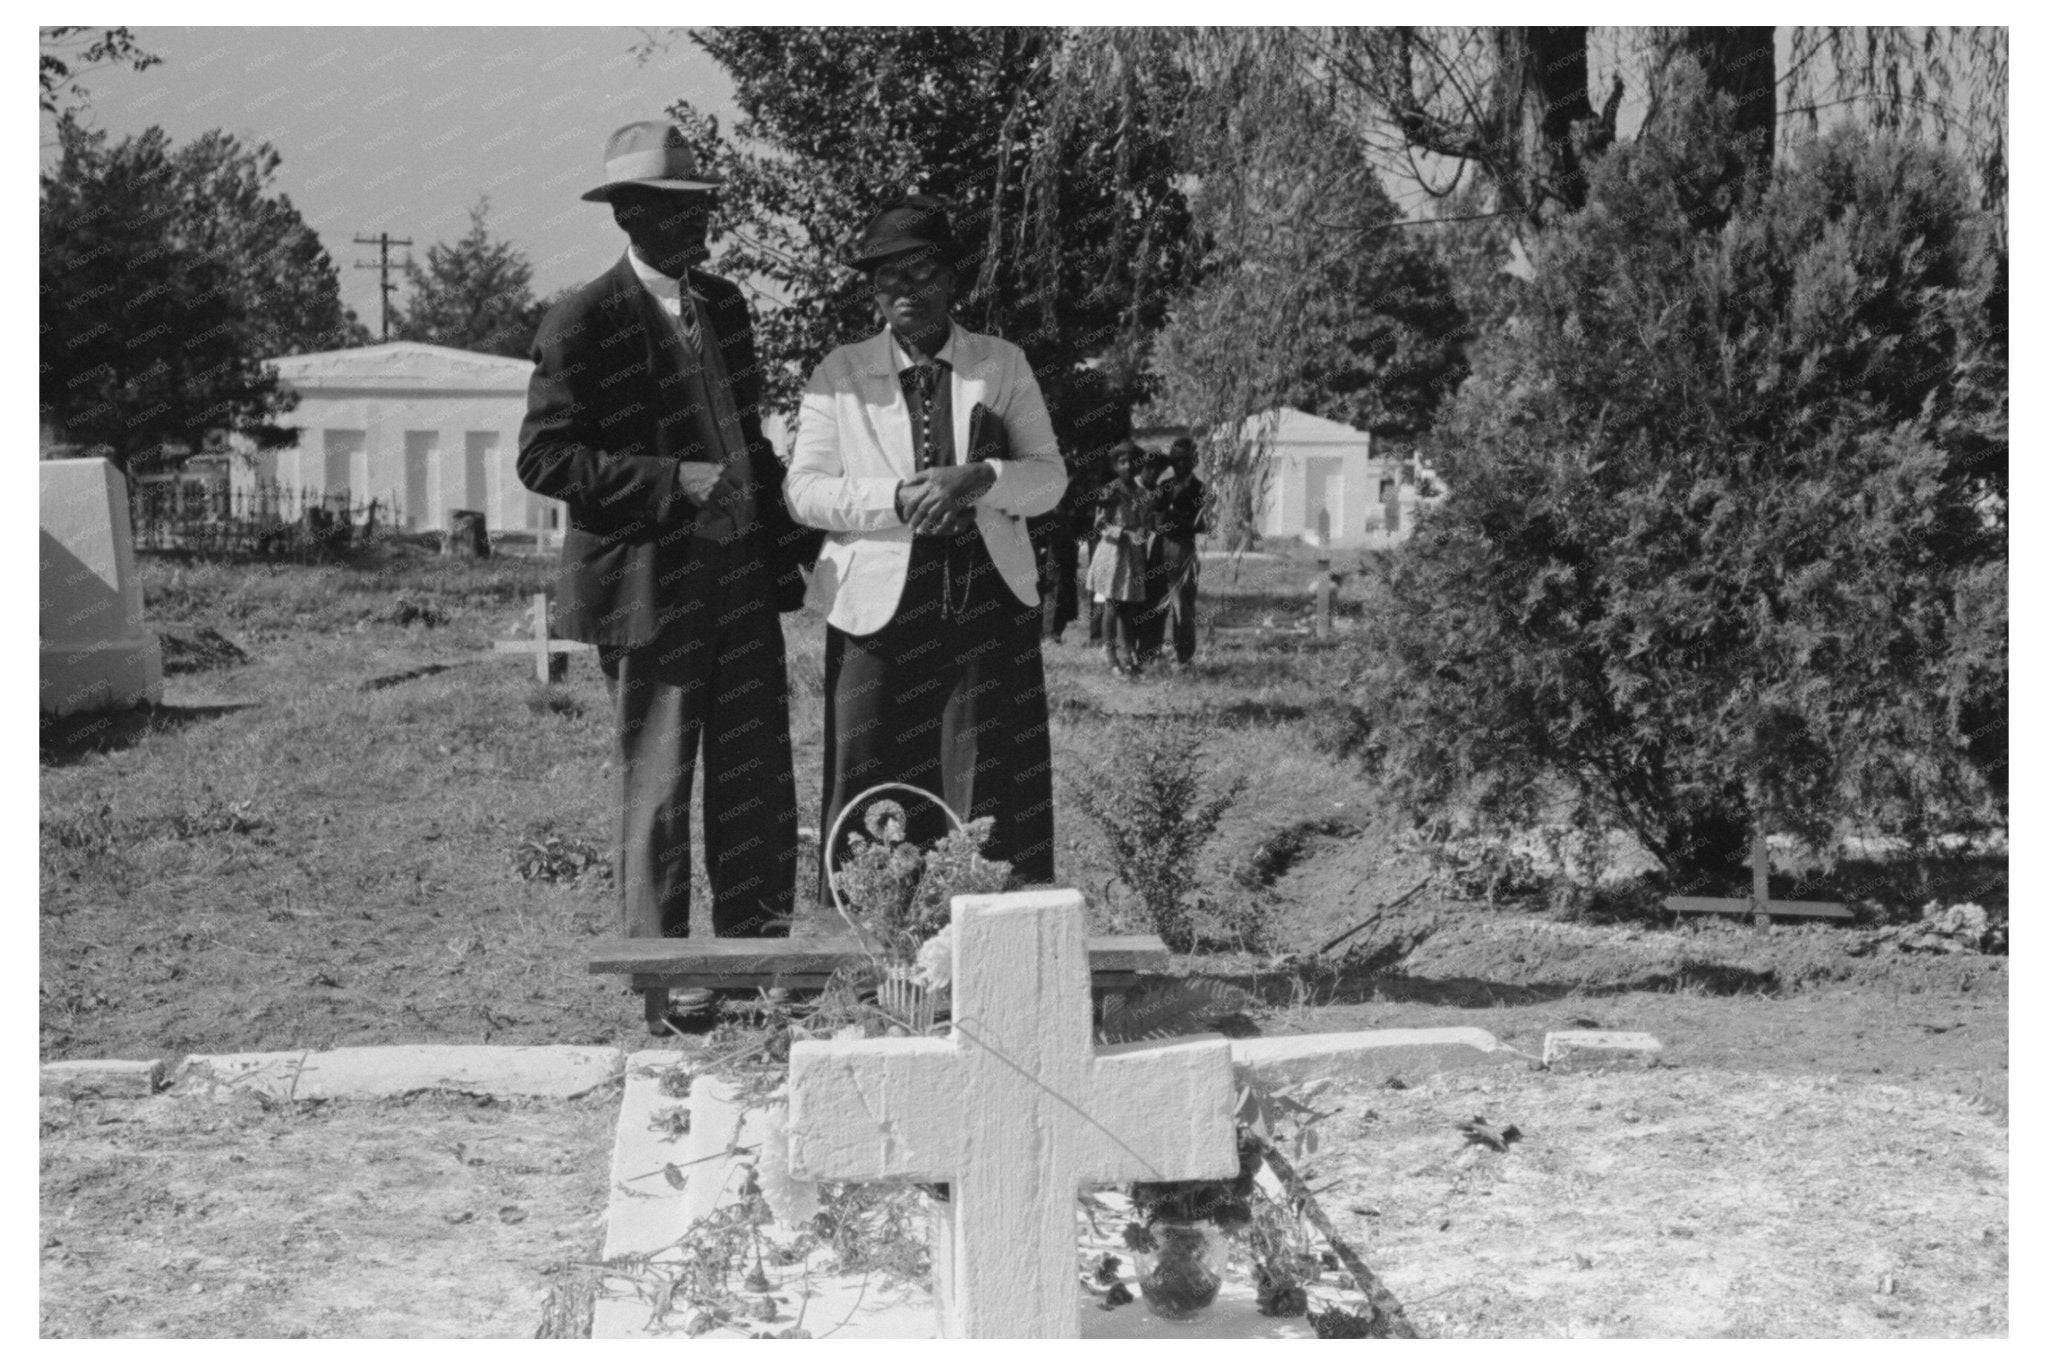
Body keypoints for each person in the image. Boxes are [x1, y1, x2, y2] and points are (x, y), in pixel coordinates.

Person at [516, 121, 820, 1031]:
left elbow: (748, 439)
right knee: (658, 785)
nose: (699, 228)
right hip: (649, 587)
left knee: (758, 778)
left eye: (702, 210)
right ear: (629, 215)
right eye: (675, 211)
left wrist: (790, 538)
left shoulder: (723, 306)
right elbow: (545, 460)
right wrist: (668, 482)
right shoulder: (582, 321)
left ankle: (751, 962)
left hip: (739, 580)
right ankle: (665, 979)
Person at [786, 196, 1068, 887]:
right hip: (874, 615)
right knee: (868, 773)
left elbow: (1049, 480)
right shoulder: (840, 372)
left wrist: (982, 477)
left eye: (919, 273)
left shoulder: (1001, 364)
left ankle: (986, 944)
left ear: (952, 280)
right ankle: (866, 945)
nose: (904, 292)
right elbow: (804, 492)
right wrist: (897, 498)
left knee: (986, 777)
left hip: (984, 607)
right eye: (886, 278)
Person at [1085, 441, 1156, 677]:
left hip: (1133, 556)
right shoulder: (1110, 492)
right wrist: (1125, 532)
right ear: (1115, 465)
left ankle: (1129, 657)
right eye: (1122, 462)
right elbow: (1100, 524)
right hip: (1113, 554)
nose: (1128, 467)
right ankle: (1111, 657)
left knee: (1129, 608)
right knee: (1113, 605)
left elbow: (1146, 523)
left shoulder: (1143, 494)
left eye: (1132, 462)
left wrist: (1144, 531)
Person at [1153, 436, 1211, 667]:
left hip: (1184, 548)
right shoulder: (1164, 486)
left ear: (1194, 461)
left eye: (1185, 460)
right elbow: (1154, 519)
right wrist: (1172, 520)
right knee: (1157, 601)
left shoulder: (1199, 488)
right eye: (1176, 460)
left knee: (1183, 602)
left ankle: (1184, 656)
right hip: (1160, 546)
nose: (1180, 465)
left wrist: (1175, 520)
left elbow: (1203, 524)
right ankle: (1152, 651)